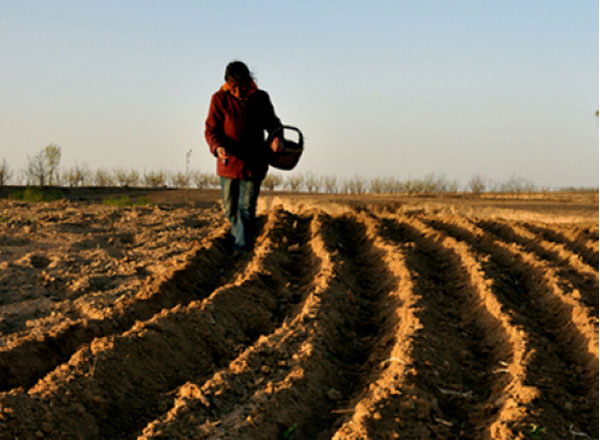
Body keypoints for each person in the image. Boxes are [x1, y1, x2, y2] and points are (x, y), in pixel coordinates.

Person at [205, 61, 284, 252]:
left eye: (242, 86)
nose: (238, 92)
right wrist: (217, 147)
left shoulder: (260, 98)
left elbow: (273, 123)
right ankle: (240, 239)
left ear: (249, 82)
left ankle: (241, 248)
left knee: (246, 209)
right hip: (228, 163)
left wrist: (277, 138)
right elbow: (211, 130)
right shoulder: (219, 99)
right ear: (227, 84)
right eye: (234, 87)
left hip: (254, 163)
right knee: (230, 209)